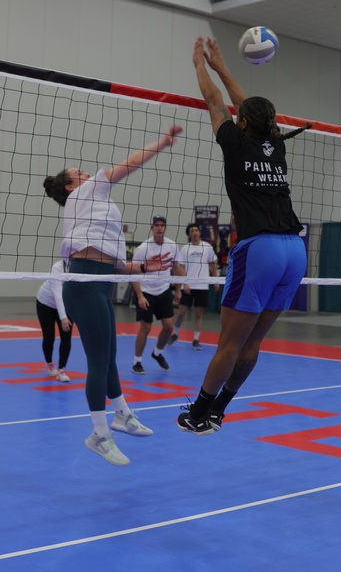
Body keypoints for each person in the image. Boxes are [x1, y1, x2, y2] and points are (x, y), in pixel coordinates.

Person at [177, 36, 308, 435]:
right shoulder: (276, 144)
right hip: (295, 251)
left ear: (243, 123)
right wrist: (223, 65)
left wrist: (200, 64)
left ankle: (199, 412)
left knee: (229, 344)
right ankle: (219, 410)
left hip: (260, 249)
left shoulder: (234, 141)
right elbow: (246, 105)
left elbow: (215, 101)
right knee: (252, 345)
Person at [44, 125, 180, 466]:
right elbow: (130, 164)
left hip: (101, 284)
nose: (87, 172)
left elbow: (113, 265)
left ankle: (122, 415)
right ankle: (99, 435)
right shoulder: (85, 193)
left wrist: (144, 267)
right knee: (97, 361)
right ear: (70, 185)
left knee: (108, 358)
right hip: (84, 286)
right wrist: (163, 143)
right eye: (79, 173)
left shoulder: (99, 208)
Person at [131, 215, 178, 374]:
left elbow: (176, 267)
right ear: (152, 228)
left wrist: (178, 290)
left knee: (169, 327)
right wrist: (140, 296)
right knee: (146, 327)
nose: (159, 228)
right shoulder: (143, 248)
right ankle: (137, 362)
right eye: (156, 225)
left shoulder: (172, 245)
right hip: (146, 291)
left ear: (165, 228)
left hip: (164, 291)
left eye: (162, 225)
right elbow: (133, 273)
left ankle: (157, 353)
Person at [169, 222, 219, 350]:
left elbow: (212, 265)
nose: (194, 233)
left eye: (196, 230)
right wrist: (185, 283)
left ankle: (196, 339)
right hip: (189, 285)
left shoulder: (207, 247)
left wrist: (216, 281)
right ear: (189, 234)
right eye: (192, 231)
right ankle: (175, 334)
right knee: (181, 312)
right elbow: (181, 267)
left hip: (202, 285)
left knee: (198, 314)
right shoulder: (185, 248)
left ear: (200, 232)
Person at [36, 259, 73, 383]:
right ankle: (49, 363)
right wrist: (63, 318)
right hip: (46, 303)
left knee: (66, 336)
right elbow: (58, 293)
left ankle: (62, 369)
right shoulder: (57, 267)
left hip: (67, 304)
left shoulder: (83, 266)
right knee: (49, 337)